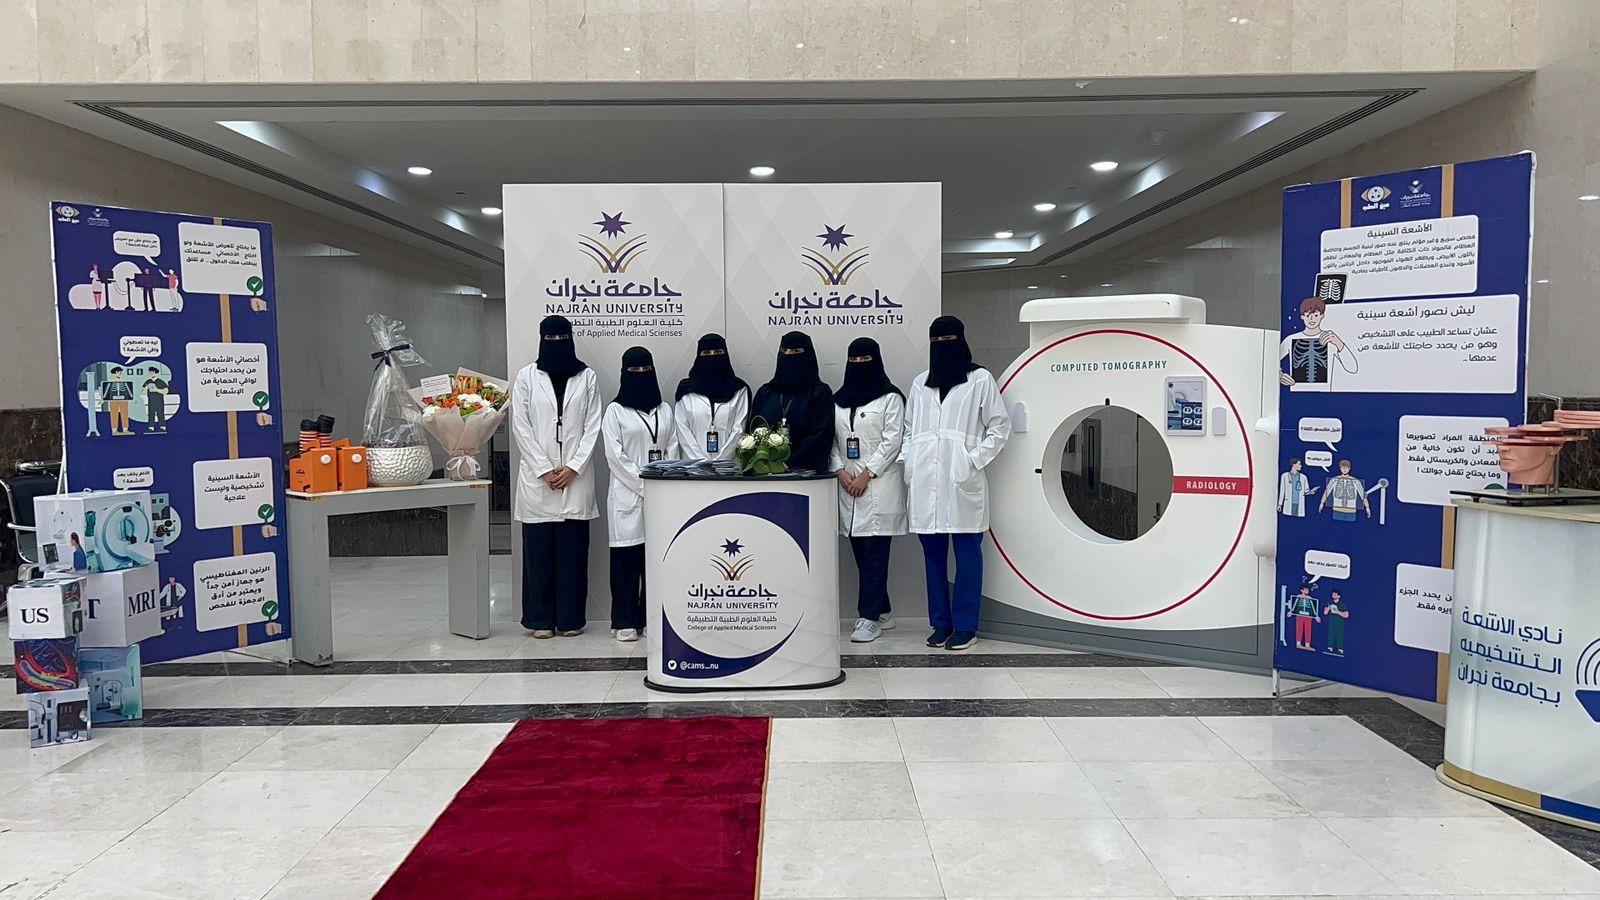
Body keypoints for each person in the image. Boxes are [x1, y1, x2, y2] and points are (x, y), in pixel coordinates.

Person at [903, 316, 1012, 651]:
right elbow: (909, 430)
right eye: (935, 341)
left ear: (961, 341)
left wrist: (972, 460)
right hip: (925, 481)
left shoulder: (980, 379)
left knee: (967, 557)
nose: (941, 346)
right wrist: (910, 462)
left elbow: (999, 427)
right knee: (933, 559)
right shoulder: (920, 383)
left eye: (948, 339)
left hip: (962, 481)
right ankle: (940, 623)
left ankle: (965, 626)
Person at [511, 315, 601, 638]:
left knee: (573, 555)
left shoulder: (587, 377)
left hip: (575, 479)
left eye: (561, 338)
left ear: (570, 339)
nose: (556, 344)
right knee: (538, 556)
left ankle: (570, 619)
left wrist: (574, 467)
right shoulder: (526, 377)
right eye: (550, 339)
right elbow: (520, 425)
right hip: (539, 480)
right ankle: (540, 620)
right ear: (541, 340)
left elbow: (593, 425)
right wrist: (544, 468)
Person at [829, 337, 907, 644]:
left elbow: (893, 440)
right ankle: (884, 611)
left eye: (865, 360)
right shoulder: (837, 400)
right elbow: (832, 442)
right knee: (862, 555)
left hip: (877, 485)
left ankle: (869, 618)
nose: (859, 365)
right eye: (854, 360)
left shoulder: (891, 398)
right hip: (847, 486)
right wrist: (839, 471)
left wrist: (866, 473)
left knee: (875, 555)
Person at [601, 346, 678, 643]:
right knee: (626, 561)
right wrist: (645, 484)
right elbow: (615, 456)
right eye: (634, 371)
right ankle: (624, 620)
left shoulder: (665, 410)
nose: (641, 375)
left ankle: (649, 618)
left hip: (660, 494)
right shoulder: (615, 411)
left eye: (646, 370)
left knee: (655, 561)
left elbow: (672, 448)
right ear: (624, 374)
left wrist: (661, 481)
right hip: (627, 494)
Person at [748, 331, 834, 473]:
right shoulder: (766, 392)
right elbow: (754, 429)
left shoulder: (819, 393)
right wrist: (767, 461)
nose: (788, 355)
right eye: (784, 351)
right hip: (767, 473)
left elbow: (821, 436)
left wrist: (790, 463)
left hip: (807, 475)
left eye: (796, 351)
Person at [673, 333, 750, 460]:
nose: (712, 356)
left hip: (729, 466)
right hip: (693, 467)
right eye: (706, 353)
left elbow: (739, 429)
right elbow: (682, 430)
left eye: (718, 352)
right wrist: (701, 462)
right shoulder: (686, 391)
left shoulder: (739, 390)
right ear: (699, 356)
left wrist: (720, 462)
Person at [1280, 296, 1358, 387]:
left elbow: (1352, 368)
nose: (1311, 319)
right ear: (1302, 317)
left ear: (1322, 316)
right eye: (1308, 315)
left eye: (1316, 315)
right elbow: (1271, 360)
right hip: (1297, 392)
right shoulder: (1290, 339)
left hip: (1324, 392)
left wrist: (1338, 343)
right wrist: (1280, 375)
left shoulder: (1330, 338)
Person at [98, 366, 135, 436]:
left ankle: (125, 430)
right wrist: (103, 400)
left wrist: (132, 399)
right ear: (113, 374)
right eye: (118, 372)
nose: (119, 373)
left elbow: (128, 391)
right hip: (113, 400)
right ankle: (114, 430)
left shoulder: (125, 382)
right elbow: (106, 392)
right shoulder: (109, 383)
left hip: (123, 400)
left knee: (125, 413)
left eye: (120, 372)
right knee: (114, 414)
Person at [1289, 584, 1320, 650]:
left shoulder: (1310, 598)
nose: (1307, 590)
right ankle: (1298, 644)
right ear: (1301, 590)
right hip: (1299, 615)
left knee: (1308, 629)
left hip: (1308, 616)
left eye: (1307, 589)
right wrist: (1291, 612)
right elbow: (1294, 605)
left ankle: (1307, 645)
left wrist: (1316, 616)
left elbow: (1313, 608)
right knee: (1299, 628)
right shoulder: (1298, 597)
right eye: (1305, 589)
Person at [140, 366, 169, 434]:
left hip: (159, 400)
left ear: (156, 373)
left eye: (153, 372)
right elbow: (143, 392)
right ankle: (151, 427)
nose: (152, 373)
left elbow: (166, 391)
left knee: (160, 413)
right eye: (150, 372)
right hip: (151, 400)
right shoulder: (148, 381)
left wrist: (156, 390)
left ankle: (162, 427)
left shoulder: (160, 381)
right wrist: (146, 388)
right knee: (151, 414)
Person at [1323, 589, 1350, 655]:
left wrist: (1338, 611)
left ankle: (1340, 649)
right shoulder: (1329, 603)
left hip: (1339, 623)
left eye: (1335, 594)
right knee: (1331, 634)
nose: (1333, 595)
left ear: (1339, 596)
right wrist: (1329, 608)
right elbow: (1325, 613)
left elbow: (1346, 615)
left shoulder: (1341, 604)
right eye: (1333, 594)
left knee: (1339, 635)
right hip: (1332, 622)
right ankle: (1330, 648)